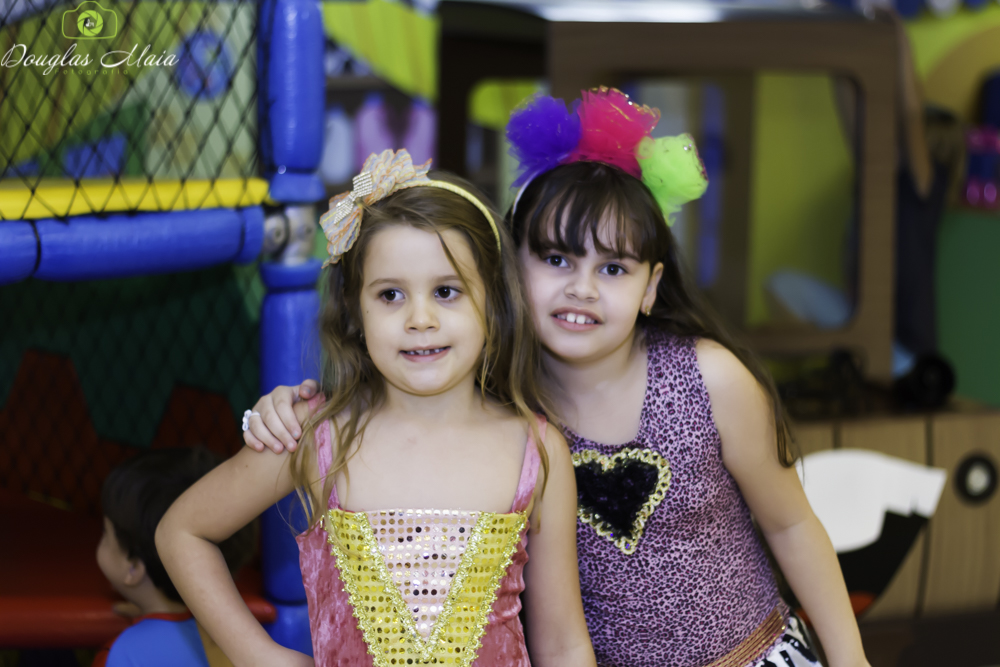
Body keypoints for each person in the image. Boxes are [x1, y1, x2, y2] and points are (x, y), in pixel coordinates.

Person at [247, 90, 873, 667]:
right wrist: (286, 406)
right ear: (507, 269)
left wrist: (853, 662)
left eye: (614, 268)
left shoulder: (709, 380)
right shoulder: (494, 396)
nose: (581, 288)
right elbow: (392, 409)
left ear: (652, 287)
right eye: (556, 258)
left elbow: (792, 526)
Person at [157, 149, 597, 667]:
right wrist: (260, 655)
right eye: (390, 295)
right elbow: (183, 531)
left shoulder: (538, 450)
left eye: (447, 291)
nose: (420, 318)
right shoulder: (317, 436)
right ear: (354, 313)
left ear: (493, 308)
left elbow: (564, 643)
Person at [93, 447, 255, 667]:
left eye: (105, 534)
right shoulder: (243, 641)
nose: (101, 539)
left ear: (133, 568)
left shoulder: (120, 655)